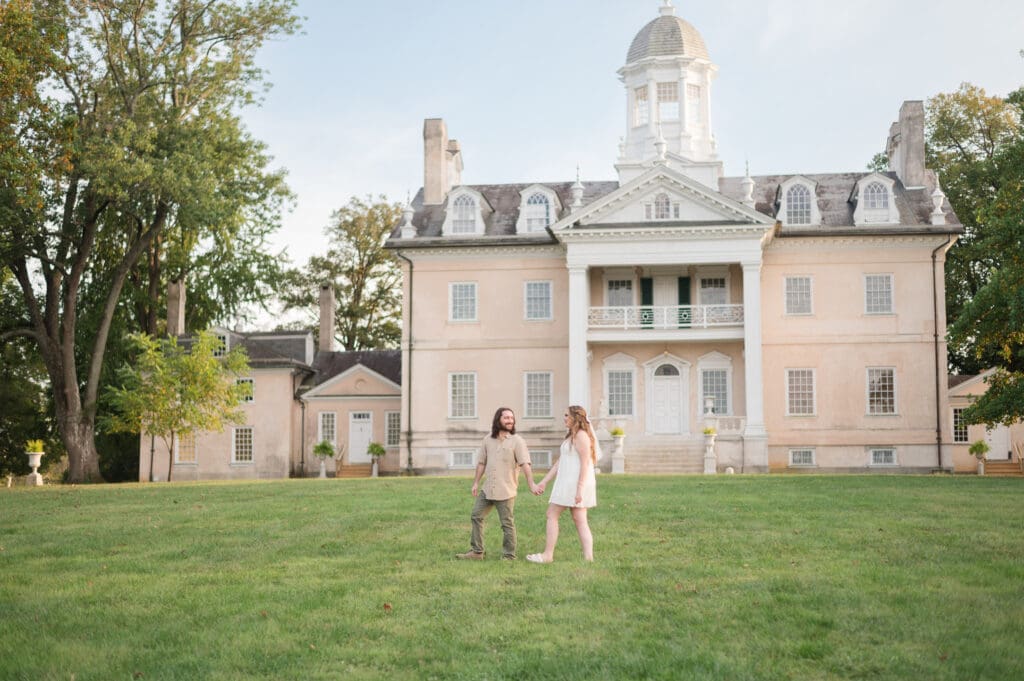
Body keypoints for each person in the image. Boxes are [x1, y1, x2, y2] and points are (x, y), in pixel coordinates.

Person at [457, 407, 539, 560]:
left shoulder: (517, 441)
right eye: (506, 418)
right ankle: (477, 552)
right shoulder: (487, 439)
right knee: (476, 516)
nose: (510, 420)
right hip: (488, 489)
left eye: (511, 418)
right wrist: (476, 483)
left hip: (506, 490)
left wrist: (531, 484)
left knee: (507, 524)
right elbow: (481, 463)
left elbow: (525, 464)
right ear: (498, 419)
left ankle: (509, 555)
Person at [527, 405, 597, 563]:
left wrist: (579, 490)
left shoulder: (581, 436)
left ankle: (548, 555)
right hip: (568, 482)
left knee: (552, 514)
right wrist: (544, 482)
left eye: (566, 415)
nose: (564, 418)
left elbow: (585, 464)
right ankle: (588, 559)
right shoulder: (571, 435)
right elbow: (560, 462)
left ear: (575, 417)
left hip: (575, 484)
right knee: (579, 519)